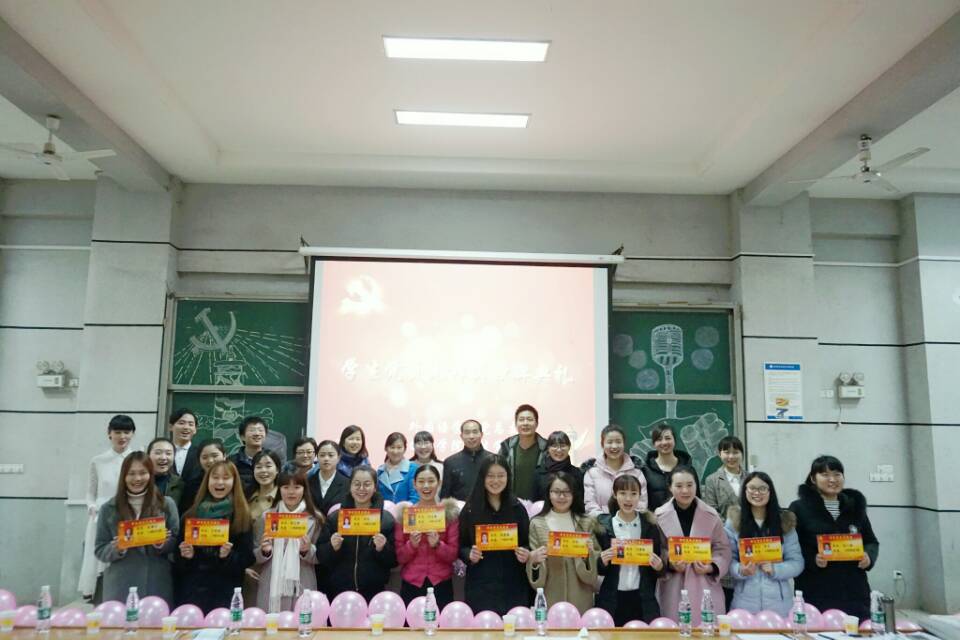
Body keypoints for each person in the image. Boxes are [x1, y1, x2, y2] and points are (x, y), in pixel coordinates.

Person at [789, 456, 879, 620]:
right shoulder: (799, 508)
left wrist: (868, 556)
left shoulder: (855, 506)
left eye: (837, 474)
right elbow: (792, 547)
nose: (832, 479)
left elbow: (871, 541)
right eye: (825, 475)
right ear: (813, 479)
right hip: (816, 588)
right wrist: (812, 559)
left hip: (854, 589)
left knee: (857, 628)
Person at [94, 452, 179, 603]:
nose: (137, 478)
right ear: (123, 476)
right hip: (120, 585)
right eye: (131, 474)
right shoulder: (108, 508)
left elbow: (176, 541)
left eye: (143, 473)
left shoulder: (166, 504)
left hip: (156, 584)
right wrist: (117, 548)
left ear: (150, 474)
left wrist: (162, 544)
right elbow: (100, 549)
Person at [175, 461, 255, 613]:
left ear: (234, 482)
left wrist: (228, 556)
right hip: (194, 592)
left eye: (226, 478)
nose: (220, 482)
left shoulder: (241, 516)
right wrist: (186, 556)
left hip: (225, 592)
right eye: (215, 477)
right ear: (207, 480)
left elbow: (248, 558)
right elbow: (177, 560)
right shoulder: (190, 515)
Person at [656, 466, 731, 625]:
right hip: (673, 585)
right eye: (679, 486)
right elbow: (658, 549)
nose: (685, 490)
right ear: (670, 487)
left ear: (697, 485)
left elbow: (722, 549)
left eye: (690, 485)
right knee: (673, 630)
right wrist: (670, 562)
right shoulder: (658, 516)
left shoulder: (712, 515)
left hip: (704, 584)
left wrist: (711, 567)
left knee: (706, 629)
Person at [458, 455, 532, 615]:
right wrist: (469, 554)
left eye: (501, 475)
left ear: (508, 477)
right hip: (481, 584)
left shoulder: (517, 507)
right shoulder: (470, 509)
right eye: (490, 476)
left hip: (513, 583)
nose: (496, 481)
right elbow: (461, 545)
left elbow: (527, 543)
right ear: (482, 478)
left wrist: (525, 553)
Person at [724, 472, 803, 617]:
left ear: (770, 491)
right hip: (744, 604)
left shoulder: (784, 521)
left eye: (762, 488)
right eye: (752, 488)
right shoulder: (734, 522)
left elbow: (797, 562)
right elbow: (729, 560)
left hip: (780, 606)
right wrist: (740, 569)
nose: (757, 493)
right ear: (745, 491)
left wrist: (775, 569)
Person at [316, 465, 397, 601]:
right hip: (340, 591)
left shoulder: (386, 520)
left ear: (375, 487)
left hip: (374, 592)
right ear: (350, 486)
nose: (361, 489)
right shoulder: (336, 518)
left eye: (367, 484)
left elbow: (394, 560)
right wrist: (332, 547)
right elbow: (321, 556)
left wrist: (382, 549)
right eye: (357, 484)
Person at [526, 472, 601, 614]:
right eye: (556, 492)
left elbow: (597, 561)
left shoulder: (586, 522)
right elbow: (533, 562)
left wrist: (589, 555)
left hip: (581, 596)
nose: (561, 497)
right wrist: (534, 560)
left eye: (567, 492)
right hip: (550, 595)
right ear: (549, 494)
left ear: (574, 494)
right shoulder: (537, 523)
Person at [79, 414, 136, 599]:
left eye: (127, 432)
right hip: (101, 514)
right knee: (100, 557)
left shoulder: (137, 459)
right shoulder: (98, 460)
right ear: (109, 433)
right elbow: (90, 492)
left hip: (129, 512)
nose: (122, 436)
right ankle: (98, 596)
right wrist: (91, 506)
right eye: (117, 432)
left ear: (133, 434)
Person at [596, 474, 664, 625]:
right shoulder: (604, 525)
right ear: (615, 494)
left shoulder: (649, 525)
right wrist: (602, 561)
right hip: (612, 599)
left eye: (633, 494)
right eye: (623, 493)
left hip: (643, 599)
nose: (628, 499)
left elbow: (659, 566)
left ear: (640, 496)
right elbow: (599, 570)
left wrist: (659, 567)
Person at [253, 471, 324, 612]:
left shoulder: (315, 519)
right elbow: (255, 554)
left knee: (301, 620)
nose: (291, 492)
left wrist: (307, 550)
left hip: (302, 582)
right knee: (271, 623)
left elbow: (321, 556)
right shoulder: (266, 518)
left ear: (304, 489)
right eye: (286, 487)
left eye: (297, 487)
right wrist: (264, 551)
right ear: (279, 489)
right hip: (271, 583)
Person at [395, 465, 460, 609]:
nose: (426, 486)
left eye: (431, 481)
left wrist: (438, 545)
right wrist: (411, 545)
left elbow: (453, 555)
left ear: (439, 483)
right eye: (421, 481)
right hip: (412, 582)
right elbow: (399, 557)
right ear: (414, 484)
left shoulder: (449, 515)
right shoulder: (406, 515)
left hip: (441, 582)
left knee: (442, 622)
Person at [583, 424, 647, 517]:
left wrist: (625, 521)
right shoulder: (592, 473)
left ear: (624, 444)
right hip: (600, 524)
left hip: (630, 524)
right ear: (602, 444)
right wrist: (606, 521)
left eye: (618, 442)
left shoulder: (637, 473)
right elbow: (590, 505)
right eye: (609, 442)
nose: (614, 446)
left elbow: (641, 505)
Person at [498, 404, 548, 501]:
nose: (525, 423)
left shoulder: (547, 448)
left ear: (536, 423)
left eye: (529, 419)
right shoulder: (506, 447)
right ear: (516, 424)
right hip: (511, 504)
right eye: (521, 420)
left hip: (540, 504)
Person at [643, 423, 697, 512]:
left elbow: (697, 499)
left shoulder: (688, 469)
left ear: (674, 440)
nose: (664, 442)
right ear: (654, 443)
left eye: (668, 438)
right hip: (655, 519)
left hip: (685, 518)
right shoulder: (646, 470)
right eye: (659, 439)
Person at [440, 419, 493, 500]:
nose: (471, 436)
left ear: (481, 434)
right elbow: (445, 496)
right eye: (467, 433)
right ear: (461, 436)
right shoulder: (450, 462)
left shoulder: (493, 460)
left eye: (475, 432)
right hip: (459, 507)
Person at [703, 436, 746, 520]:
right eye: (727, 452)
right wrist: (728, 527)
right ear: (720, 454)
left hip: (749, 527)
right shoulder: (712, 480)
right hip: (723, 527)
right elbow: (712, 511)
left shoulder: (750, 478)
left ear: (742, 454)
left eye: (735, 452)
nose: (731, 456)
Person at [179, 439, 227, 514]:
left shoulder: (235, 480)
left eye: (215, 456)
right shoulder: (192, 485)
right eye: (204, 457)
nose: (210, 460)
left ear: (224, 456)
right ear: (199, 460)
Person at [533, 431, 583, 502]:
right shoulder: (538, 473)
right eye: (554, 446)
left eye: (563, 446)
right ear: (548, 448)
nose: (559, 450)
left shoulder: (577, 473)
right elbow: (535, 503)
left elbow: (581, 501)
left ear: (569, 447)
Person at [230, 416, 270, 494]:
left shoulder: (272, 460)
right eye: (252, 430)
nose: (257, 434)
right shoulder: (232, 462)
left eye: (260, 430)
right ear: (242, 437)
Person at [308, 440, 349, 516]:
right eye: (322, 455)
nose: (326, 458)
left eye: (331, 455)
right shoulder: (307, 482)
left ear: (338, 458)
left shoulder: (347, 484)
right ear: (317, 457)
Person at [378, 432, 419, 504]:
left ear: (405, 449)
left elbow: (415, 497)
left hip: (406, 510)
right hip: (384, 510)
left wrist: (401, 509)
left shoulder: (412, 469)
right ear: (386, 448)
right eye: (392, 447)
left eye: (399, 448)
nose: (395, 451)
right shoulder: (380, 470)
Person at [169, 409, 202, 488]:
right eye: (181, 423)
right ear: (171, 427)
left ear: (195, 430)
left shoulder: (200, 454)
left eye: (191, 424)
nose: (186, 427)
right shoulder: (163, 453)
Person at [148, 437, 183, 507]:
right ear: (148, 455)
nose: (163, 457)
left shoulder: (179, 483)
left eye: (168, 453)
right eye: (158, 453)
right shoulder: (141, 480)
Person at [248, 450, 282, 522]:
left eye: (268, 466)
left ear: (277, 470)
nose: (263, 470)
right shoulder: (246, 496)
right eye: (259, 467)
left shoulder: (284, 495)